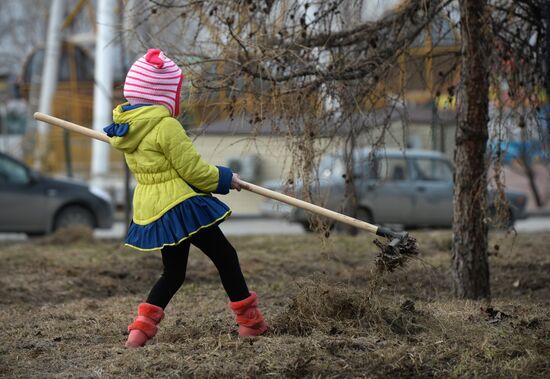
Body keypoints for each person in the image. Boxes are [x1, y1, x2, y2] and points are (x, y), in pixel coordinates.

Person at [105, 48, 268, 348]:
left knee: (174, 273)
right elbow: (193, 171)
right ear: (164, 92)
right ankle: (251, 323)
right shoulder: (165, 125)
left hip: (153, 206)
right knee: (226, 257)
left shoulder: (124, 129)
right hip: (180, 205)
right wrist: (226, 178)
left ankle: (139, 332)